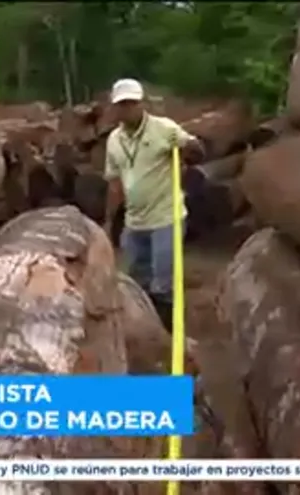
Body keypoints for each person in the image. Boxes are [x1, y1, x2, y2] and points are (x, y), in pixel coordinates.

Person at [103, 78, 204, 331]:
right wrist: (107, 220)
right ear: (115, 108)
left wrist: (191, 149)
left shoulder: (164, 129)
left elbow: (196, 149)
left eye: (131, 103)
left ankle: (169, 338)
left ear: (141, 103)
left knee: (164, 283)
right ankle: (147, 333)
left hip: (165, 218)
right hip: (134, 222)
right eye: (122, 105)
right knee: (136, 283)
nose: (127, 109)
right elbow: (115, 184)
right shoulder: (114, 140)